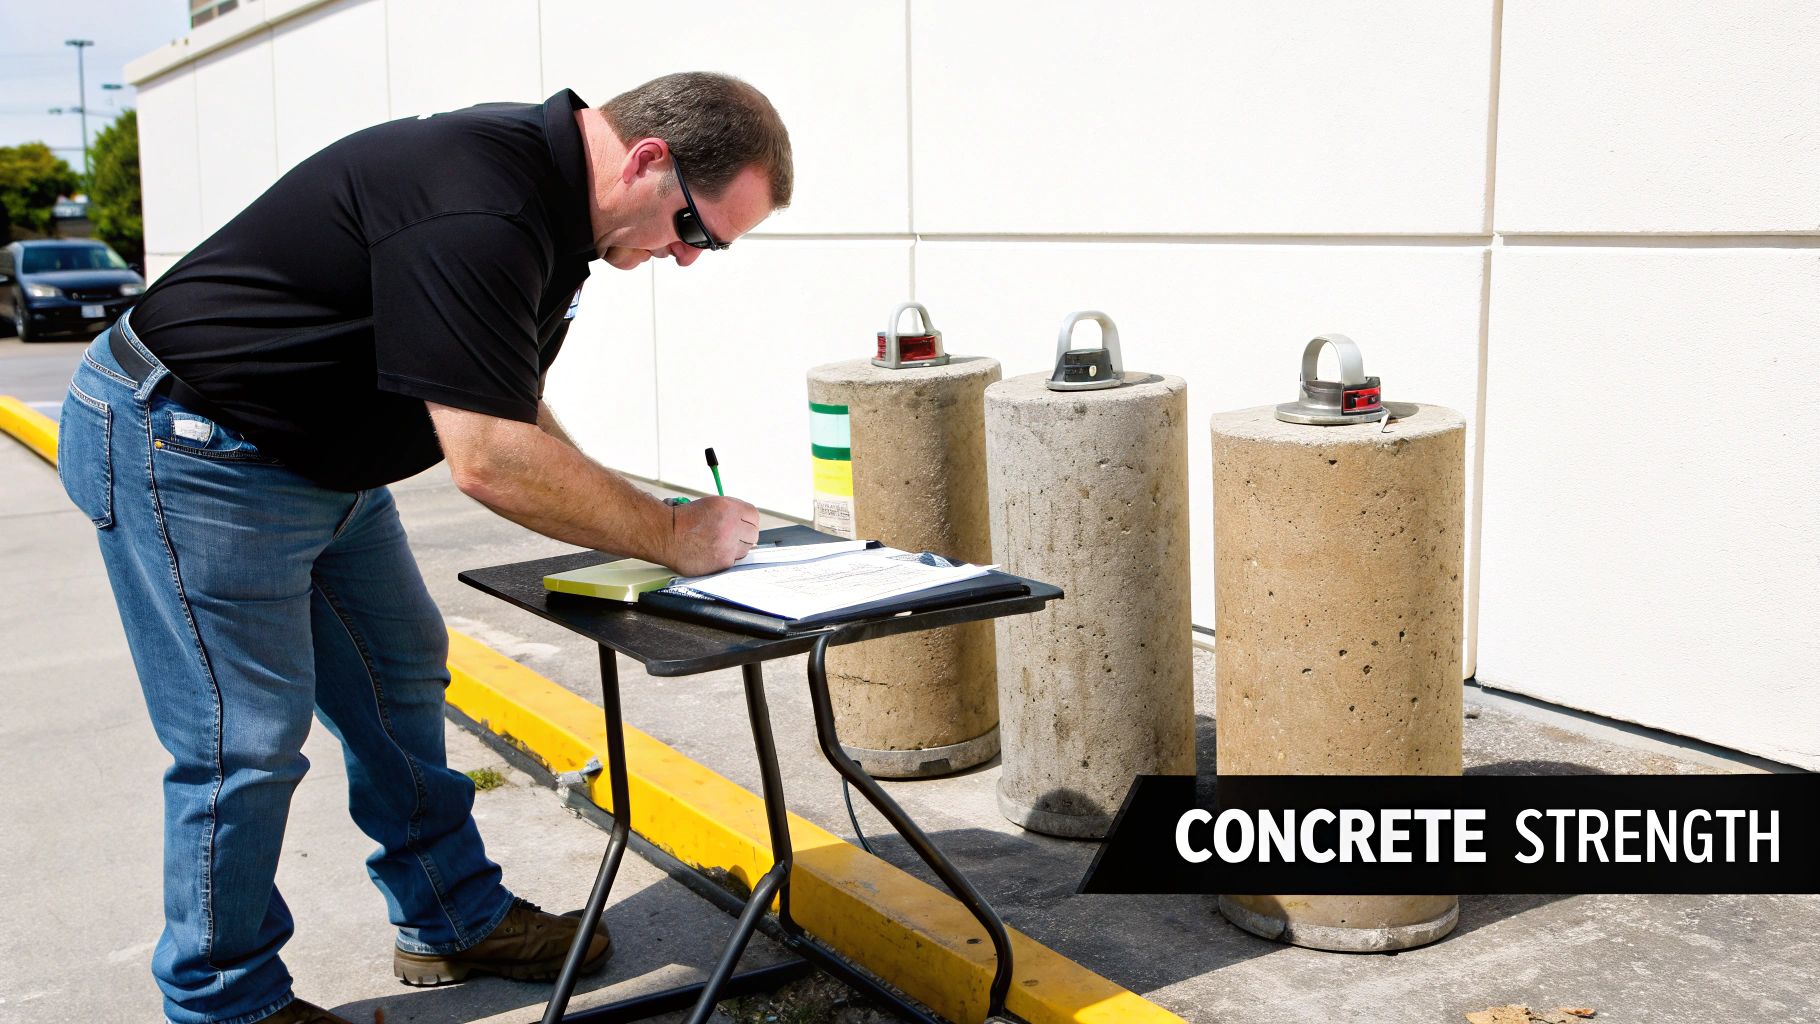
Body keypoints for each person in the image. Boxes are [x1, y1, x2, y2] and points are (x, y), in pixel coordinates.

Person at [55, 72, 792, 1024]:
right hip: (194, 448)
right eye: (695, 230)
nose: (688, 258)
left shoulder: (562, 211)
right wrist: (669, 537)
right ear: (648, 159)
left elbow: (495, 386)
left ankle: (451, 917)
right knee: (244, 742)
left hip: (320, 465)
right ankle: (224, 1000)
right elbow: (487, 459)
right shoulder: (484, 200)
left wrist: (641, 511)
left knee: (399, 673)